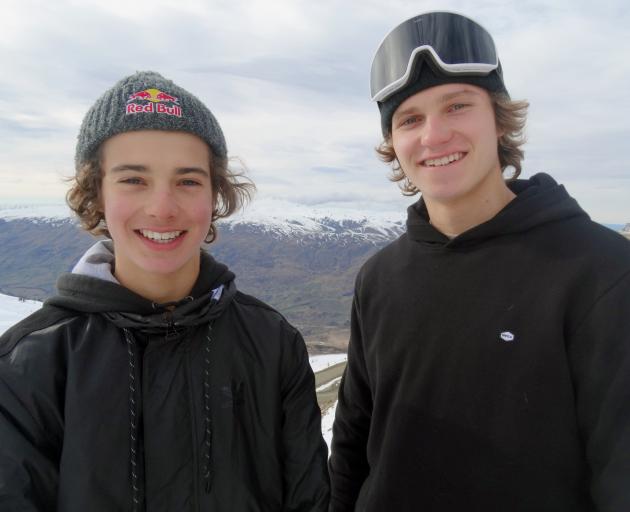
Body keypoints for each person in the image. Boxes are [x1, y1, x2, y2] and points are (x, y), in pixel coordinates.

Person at [329, 11, 630, 512]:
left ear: (498, 118)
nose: (434, 135)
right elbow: (352, 446)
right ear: (394, 145)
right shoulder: (379, 278)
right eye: (410, 119)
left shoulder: (599, 271)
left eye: (457, 106)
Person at [0, 71, 329, 511]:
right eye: (134, 179)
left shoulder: (273, 346)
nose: (162, 207)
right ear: (96, 192)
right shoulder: (29, 366)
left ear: (216, 195)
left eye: (188, 180)